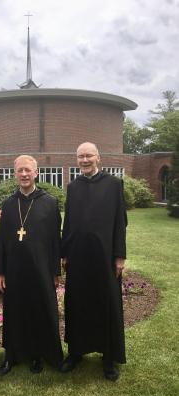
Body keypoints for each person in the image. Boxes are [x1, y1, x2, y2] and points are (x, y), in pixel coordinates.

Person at [61, 142, 127, 381]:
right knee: (77, 303)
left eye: (89, 155)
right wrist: (64, 253)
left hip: (105, 257)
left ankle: (108, 358)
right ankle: (76, 352)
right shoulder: (73, 187)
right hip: (78, 256)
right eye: (80, 156)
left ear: (98, 157)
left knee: (105, 303)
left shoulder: (113, 185)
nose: (85, 160)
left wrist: (119, 255)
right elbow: (68, 223)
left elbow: (121, 222)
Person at [0, 155, 63, 376]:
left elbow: (55, 241)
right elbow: (2, 240)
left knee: (39, 310)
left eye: (28, 170)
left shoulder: (50, 203)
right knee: (14, 312)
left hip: (41, 269)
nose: (24, 174)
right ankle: (11, 356)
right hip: (14, 269)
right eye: (20, 171)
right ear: (15, 174)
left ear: (36, 173)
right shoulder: (8, 204)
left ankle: (37, 354)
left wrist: (55, 271)